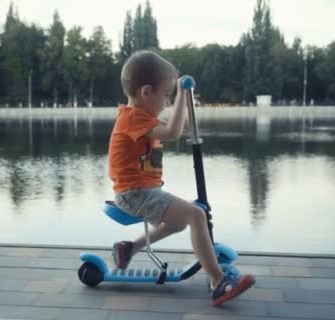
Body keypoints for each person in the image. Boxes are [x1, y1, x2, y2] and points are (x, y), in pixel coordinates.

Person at [108, 50, 255, 305]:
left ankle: (129, 247)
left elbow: (177, 126)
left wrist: (184, 102)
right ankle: (217, 281)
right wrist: (182, 93)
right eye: (165, 95)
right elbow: (174, 132)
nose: (166, 101)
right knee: (196, 215)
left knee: (180, 221)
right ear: (145, 92)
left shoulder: (141, 117)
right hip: (134, 194)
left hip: (141, 192)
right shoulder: (133, 119)